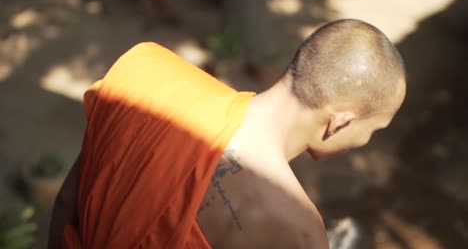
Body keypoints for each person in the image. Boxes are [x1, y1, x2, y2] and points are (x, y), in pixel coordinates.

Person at [48, 19, 406, 248]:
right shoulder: (301, 233)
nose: (366, 142)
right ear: (340, 121)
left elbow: (67, 201)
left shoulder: (153, 83)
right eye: (374, 129)